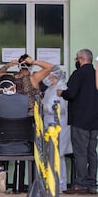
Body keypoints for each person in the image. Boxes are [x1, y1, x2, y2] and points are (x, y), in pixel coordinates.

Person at [58, 49, 98, 194]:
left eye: (77, 58)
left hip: (80, 119)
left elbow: (71, 93)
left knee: (80, 152)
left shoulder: (78, 74)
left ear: (81, 59)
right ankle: (92, 185)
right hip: (95, 120)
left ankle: (80, 184)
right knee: (92, 152)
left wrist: (62, 93)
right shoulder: (96, 74)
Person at [0, 74, 30, 194]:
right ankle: (17, 189)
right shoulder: (25, 99)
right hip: (23, 146)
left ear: (0, 86)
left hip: (2, 146)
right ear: (14, 86)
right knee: (19, 155)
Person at [41, 66, 72, 193]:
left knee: (58, 155)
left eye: (50, 75)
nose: (48, 77)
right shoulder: (50, 89)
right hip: (49, 124)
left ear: (55, 76)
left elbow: (63, 108)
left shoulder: (62, 88)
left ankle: (61, 184)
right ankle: (52, 182)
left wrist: (48, 107)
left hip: (60, 125)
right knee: (50, 155)